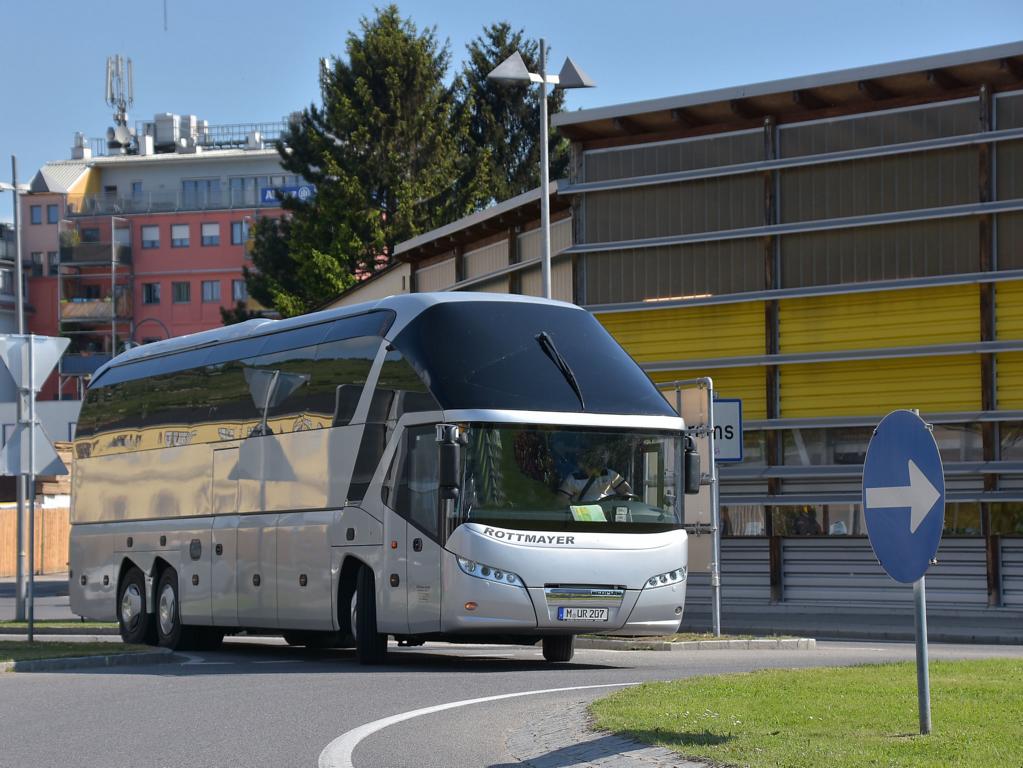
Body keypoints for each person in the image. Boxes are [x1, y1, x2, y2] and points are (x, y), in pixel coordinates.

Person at [557, 446, 633, 504]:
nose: (593, 462)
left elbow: (627, 492)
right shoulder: (573, 479)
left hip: (609, 515)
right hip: (583, 518)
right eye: (589, 460)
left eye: (595, 459)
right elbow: (562, 501)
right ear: (581, 463)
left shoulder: (609, 474)